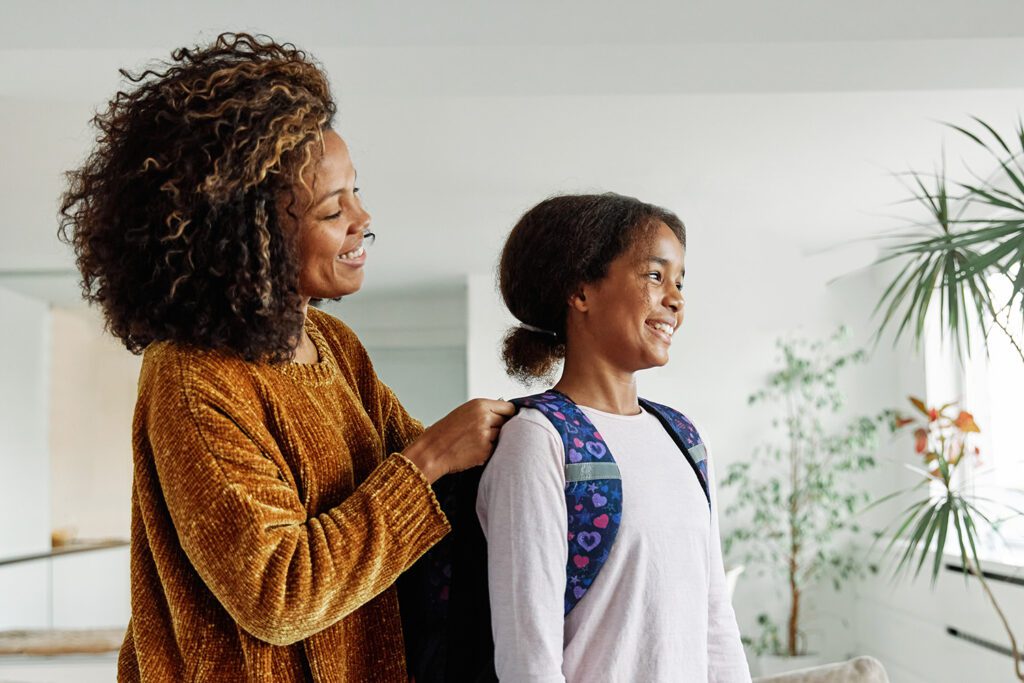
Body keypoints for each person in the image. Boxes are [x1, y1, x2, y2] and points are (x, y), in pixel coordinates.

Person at [58, 33, 513, 682]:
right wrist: (432, 457)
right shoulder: (192, 378)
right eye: (334, 208)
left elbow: (437, 482)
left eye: (355, 191)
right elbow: (277, 590)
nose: (363, 215)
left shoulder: (335, 347)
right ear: (257, 236)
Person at [476, 193, 751, 682]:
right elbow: (528, 663)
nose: (676, 298)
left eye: (679, 281)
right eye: (654, 275)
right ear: (581, 291)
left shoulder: (684, 438)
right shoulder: (537, 441)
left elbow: (716, 623)